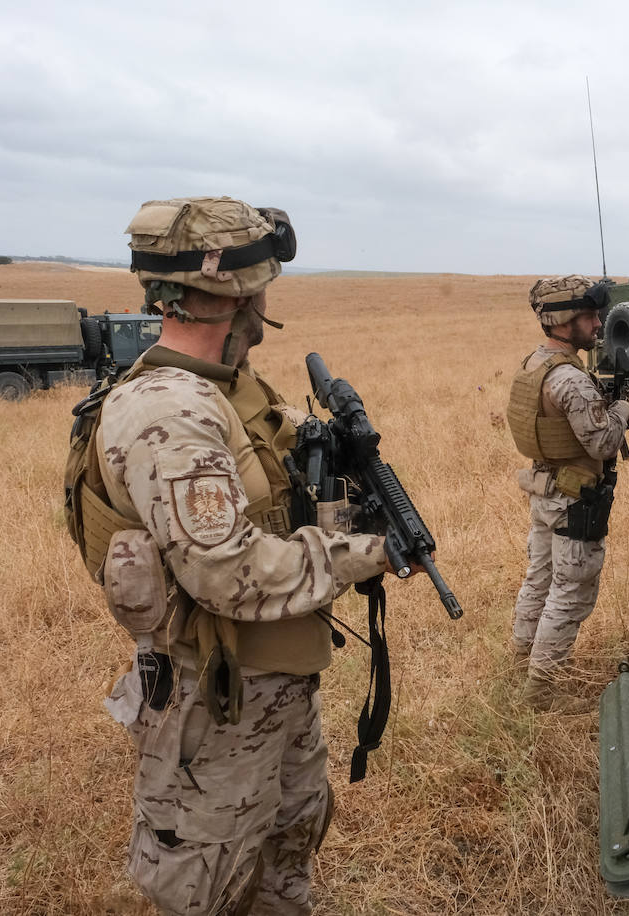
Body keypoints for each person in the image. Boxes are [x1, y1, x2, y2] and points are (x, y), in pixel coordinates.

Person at [85, 196, 391, 914]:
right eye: (261, 291)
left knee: (284, 865)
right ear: (236, 296)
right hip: (214, 702)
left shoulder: (230, 394)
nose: (264, 310)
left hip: (274, 683)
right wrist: (356, 553)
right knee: (208, 890)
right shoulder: (170, 413)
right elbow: (227, 572)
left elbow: (271, 514)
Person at [505, 275, 629, 709]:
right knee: (571, 591)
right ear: (564, 321)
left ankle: (519, 662)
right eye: (589, 316)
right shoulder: (570, 381)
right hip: (572, 500)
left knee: (539, 581)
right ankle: (541, 694)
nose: (598, 324)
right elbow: (602, 443)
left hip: (545, 490)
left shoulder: (533, 365)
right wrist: (623, 411)